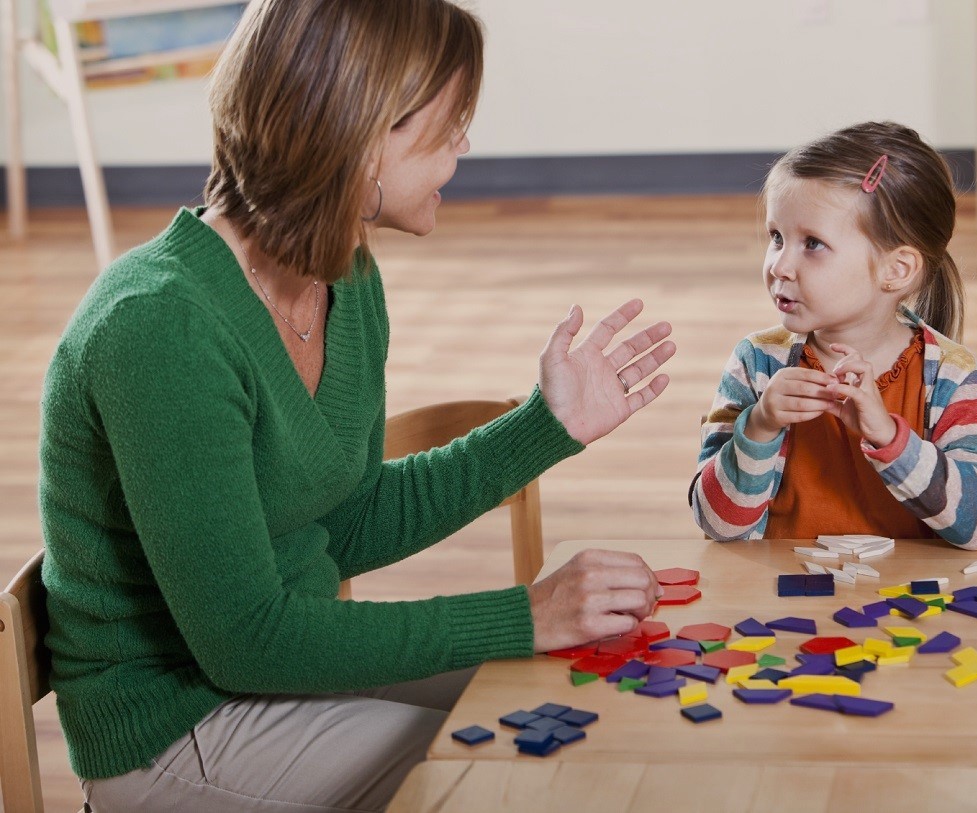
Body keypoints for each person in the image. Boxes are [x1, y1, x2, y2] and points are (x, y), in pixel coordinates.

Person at [38, 1, 675, 810]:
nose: (465, 149)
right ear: (363, 137)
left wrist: (543, 429)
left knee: (596, 698)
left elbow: (346, 520)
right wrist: (524, 613)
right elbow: (246, 640)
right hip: (177, 728)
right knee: (517, 774)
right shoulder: (160, 327)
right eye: (448, 131)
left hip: (284, 671)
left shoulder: (346, 277)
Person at [690, 122, 977, 550]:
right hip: (779, 598)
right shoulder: (755, 362)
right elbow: (716, 525)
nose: (780, 265)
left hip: (907, 602)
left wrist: (891, 440)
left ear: (897, 270)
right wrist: (758, 426)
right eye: (777, 237)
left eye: (813, 244)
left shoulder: (952, 373)